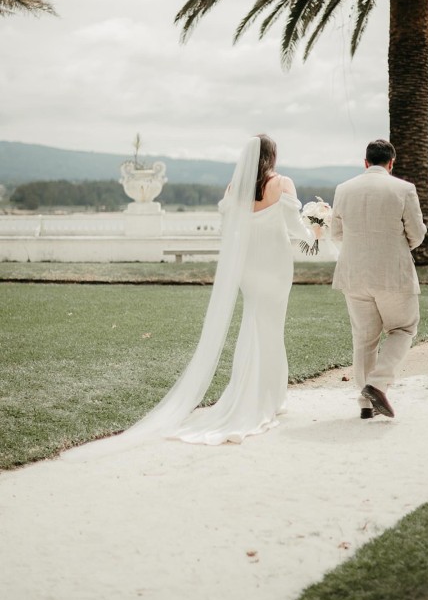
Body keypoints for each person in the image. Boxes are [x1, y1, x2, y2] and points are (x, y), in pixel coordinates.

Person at [62, 134, 317, 459]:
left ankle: (260, 394)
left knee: (254, 322)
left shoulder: (233, 189)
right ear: (272, 156)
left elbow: (230, 230)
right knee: (271, 327)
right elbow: (294, 227)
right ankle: (269, 397)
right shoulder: (282, 183)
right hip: (276, 266)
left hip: (249, 269)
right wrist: (315, 230)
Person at [330, 139, 427, 420]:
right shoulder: (404, 189)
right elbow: (417, 235)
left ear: (365, 162)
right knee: (404, 329)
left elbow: (337, 233)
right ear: (391, 163)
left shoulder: (343, 189)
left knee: (364, 338)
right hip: (393, 273)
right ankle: (377, 383)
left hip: (353, 273)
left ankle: (365, 401)